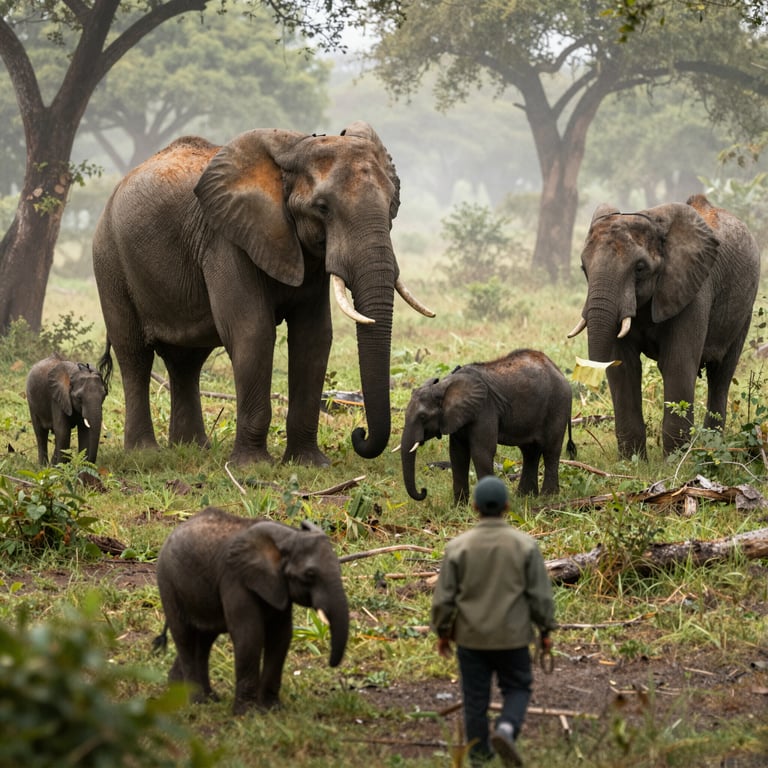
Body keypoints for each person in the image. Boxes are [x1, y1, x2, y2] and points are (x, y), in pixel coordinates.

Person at [430, 475, 556, 767]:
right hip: (513, 637)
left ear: (474, 507)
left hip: (471, 638)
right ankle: (507, 728)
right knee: (518, 687)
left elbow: (444, 599)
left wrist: (443, 632)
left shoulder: (458, 547)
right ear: (507, 506)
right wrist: (545, 630)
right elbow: (540, 596)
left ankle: (479, 756)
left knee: (475, 698)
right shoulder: (525, 545)